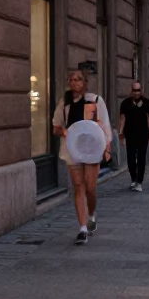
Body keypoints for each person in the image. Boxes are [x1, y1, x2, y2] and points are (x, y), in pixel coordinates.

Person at [52, 69, 111, 245]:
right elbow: (55, 127)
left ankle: (91, 214)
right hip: (73, 149)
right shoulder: (65, 103)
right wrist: (65, 132)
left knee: (90, 187)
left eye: (78, 79)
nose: (75, 82)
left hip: (92, 149)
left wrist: (106, 148)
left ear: (85, 82)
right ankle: (82, 228)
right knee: (78, 186)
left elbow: (105, 126)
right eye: (72, 79)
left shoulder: (95, 100)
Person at [118, 80, 149, 192]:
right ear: (131, 91)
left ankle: (139, 182)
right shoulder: (125, 103)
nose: (136, 93)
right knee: (130, 158)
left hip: (143, 135)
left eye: (138, 90)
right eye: (134, 90)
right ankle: (133, 179)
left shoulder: (147, 103)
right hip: (130, 134)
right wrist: (120, 133)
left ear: (141, 90)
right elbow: (122, 119)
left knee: (141, 158)